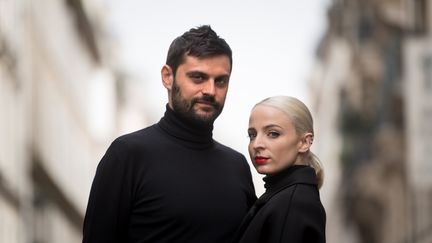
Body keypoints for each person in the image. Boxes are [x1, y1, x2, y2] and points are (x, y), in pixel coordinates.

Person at [82, 25, 257, 243]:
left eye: (220, 80)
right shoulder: (128, 155)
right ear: (167, 77)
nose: (211, 91)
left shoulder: (238, 166)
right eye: (198, 77)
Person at [235, 96, 326, 243]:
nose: (256, 144)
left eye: (273, 133)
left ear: (304, 142)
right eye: (252, 135)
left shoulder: (292, 204)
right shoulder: (287, 197)